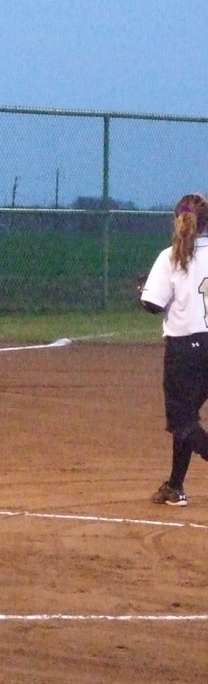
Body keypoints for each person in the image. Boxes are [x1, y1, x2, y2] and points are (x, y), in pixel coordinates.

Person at [139, 193, 208, 506]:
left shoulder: (171, 256)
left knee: (182, 421)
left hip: (186, 350)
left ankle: (175, 486)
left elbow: (152, 304)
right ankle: (174, 486)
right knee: (187, 420)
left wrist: (143, 291)